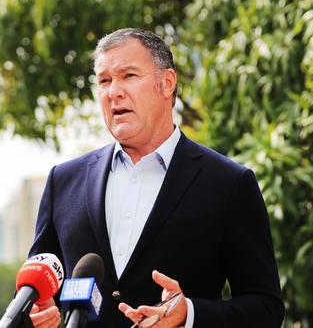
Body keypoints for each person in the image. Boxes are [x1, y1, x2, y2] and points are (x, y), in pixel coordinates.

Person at [27, 28, 285, 327]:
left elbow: (265, 309)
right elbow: (36, 291)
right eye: (104, 81)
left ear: (167, 83)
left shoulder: (228, 183)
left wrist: (188, 314)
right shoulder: (64, 181)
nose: (114, 92)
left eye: (129, 76)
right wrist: (37, 314)